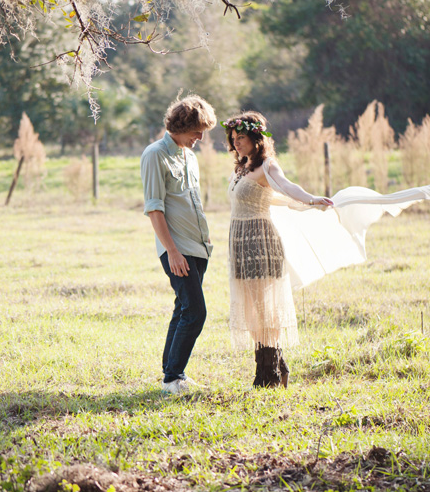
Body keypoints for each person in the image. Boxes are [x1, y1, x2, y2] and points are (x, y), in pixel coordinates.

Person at [223, 111, 333, 388]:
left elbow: (285, 186)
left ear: (257, 139)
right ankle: (277, 366)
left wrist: (309, 199)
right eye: (234, 139)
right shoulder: (242, 168)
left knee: (265, 308)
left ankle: (267, 376)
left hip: (261, 241)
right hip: (239, 242)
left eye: (242, 138)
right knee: (252, 308)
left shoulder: (267, 166)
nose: (237, 143)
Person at [141, 95, 217, 395]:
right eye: (197, 130)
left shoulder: (190, 155)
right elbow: (154, 208)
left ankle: (172, 375)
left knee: (183, 309)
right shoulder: (154, 154)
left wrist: (205, 238)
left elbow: (193, 201)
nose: (201, 137)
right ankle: (174, 377)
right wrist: (172, 251)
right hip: (177, 249)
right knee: (196, 312)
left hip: (199, 247)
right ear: (182, 125)